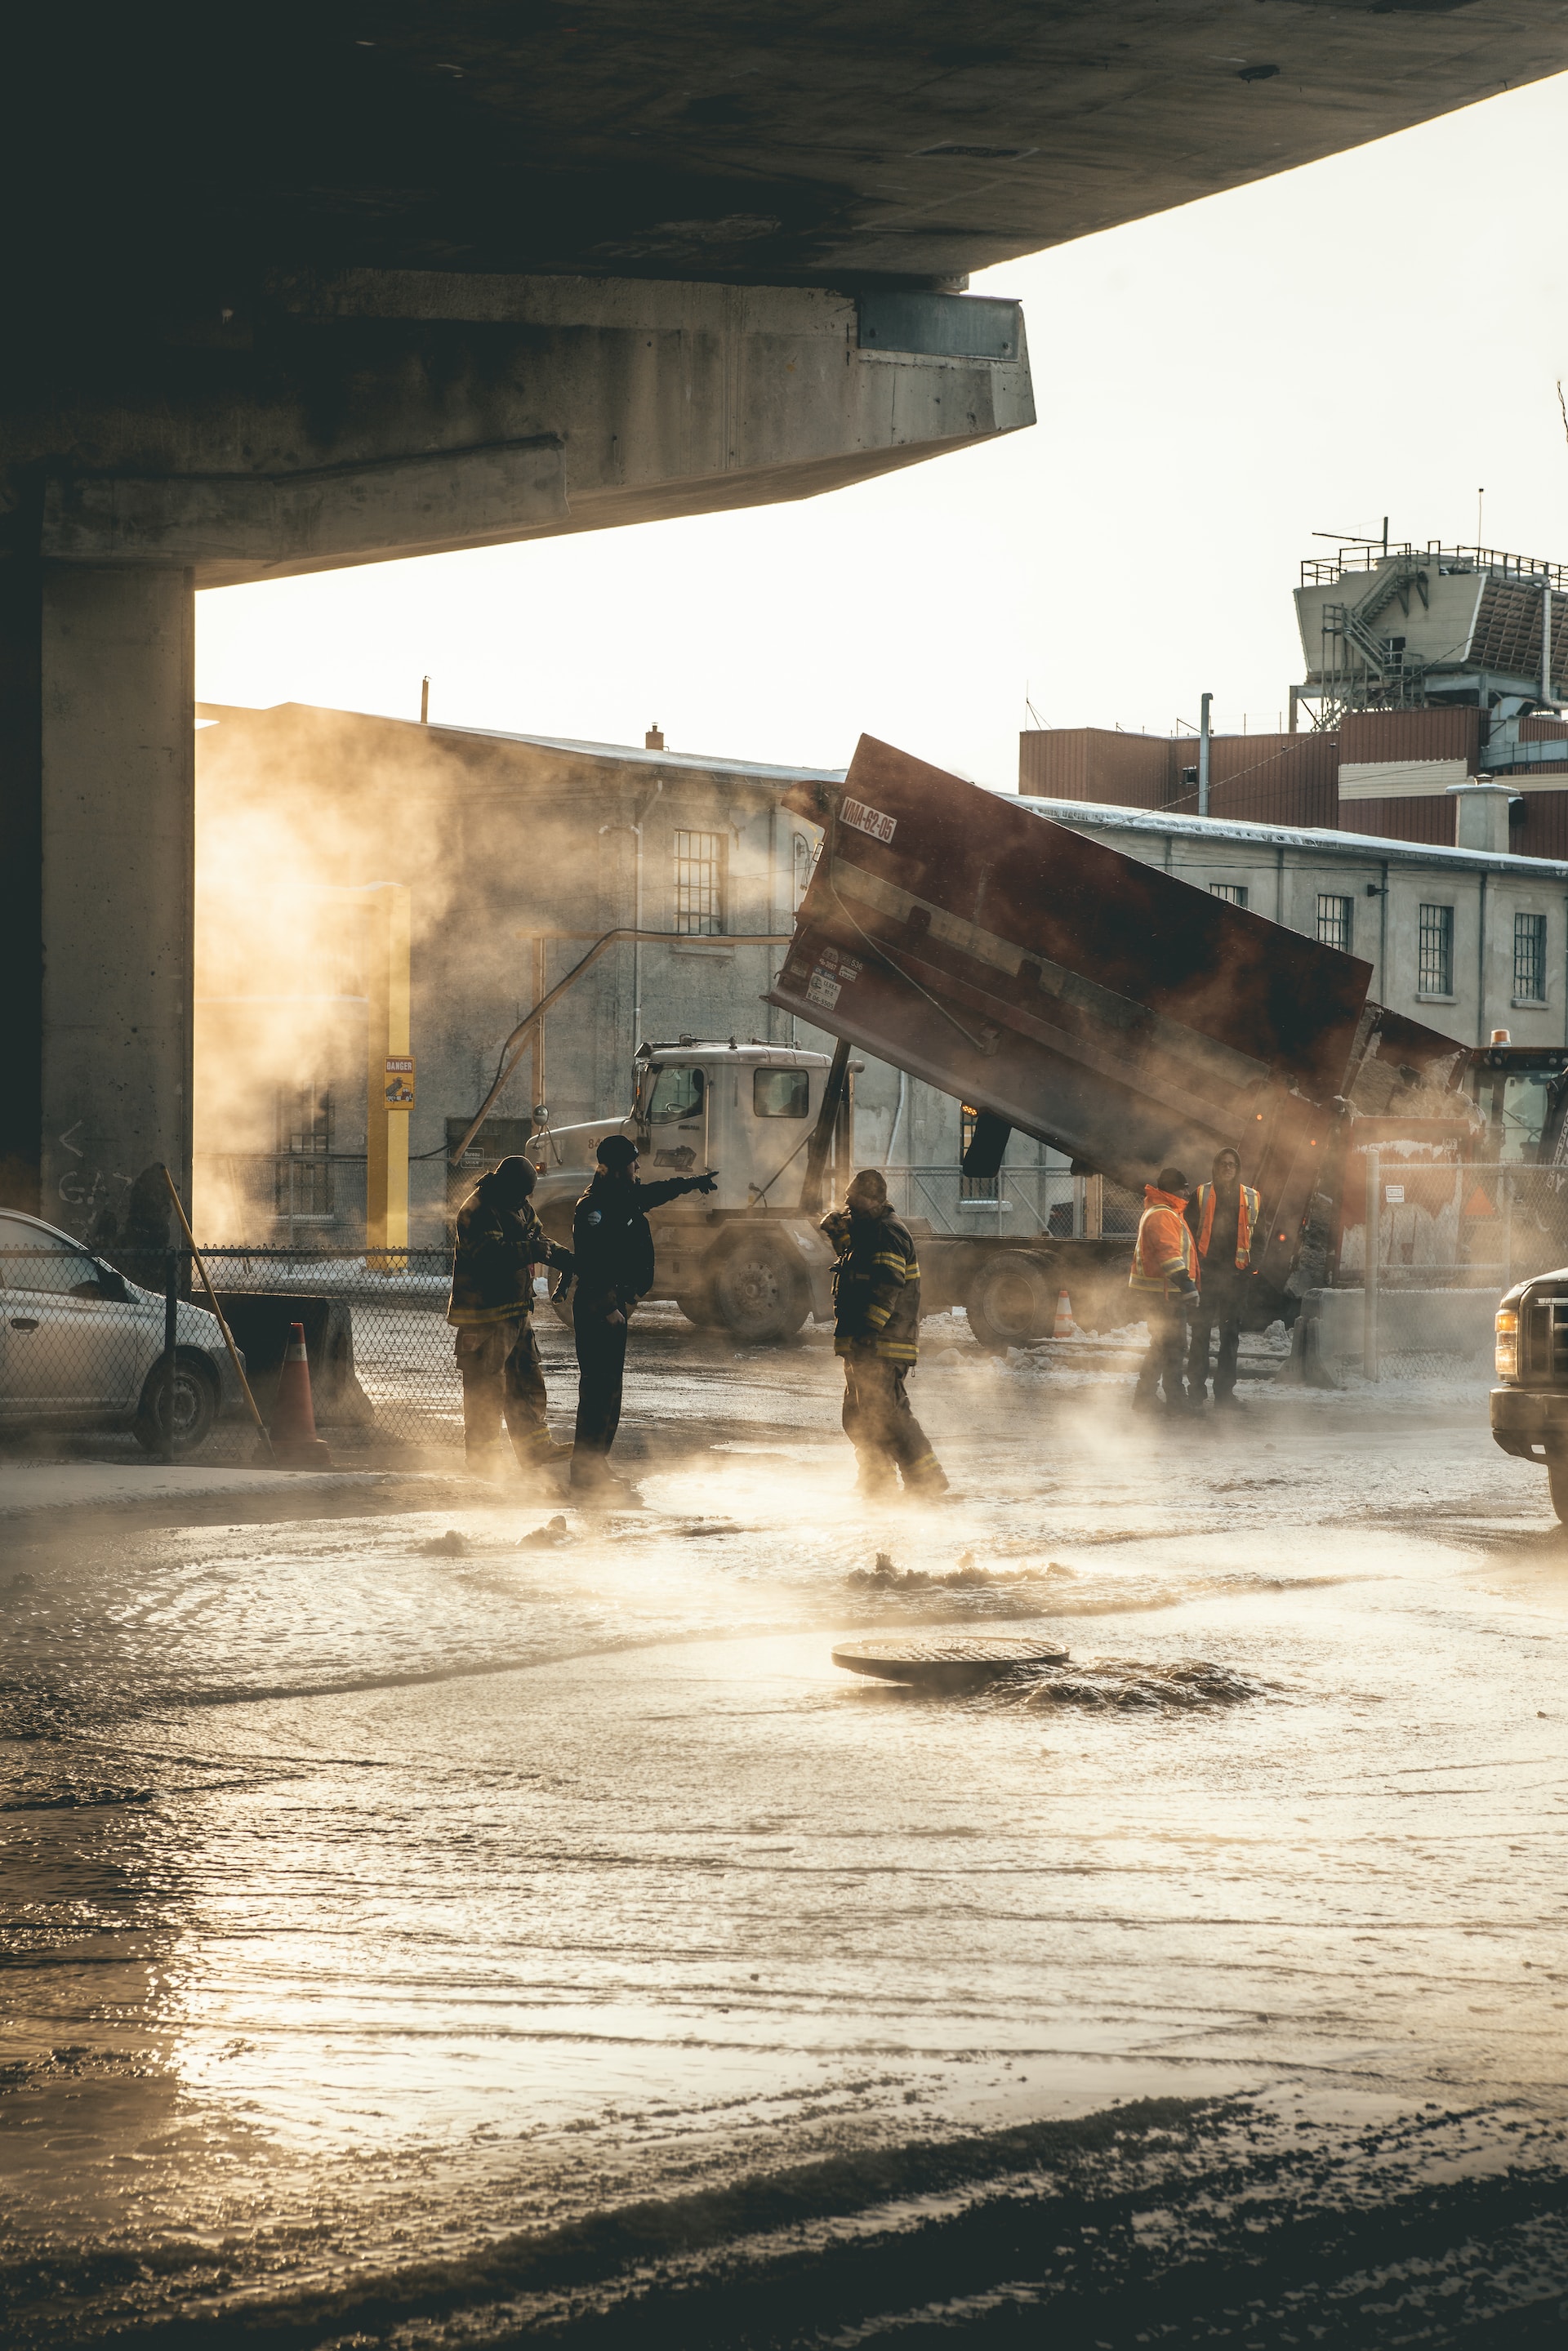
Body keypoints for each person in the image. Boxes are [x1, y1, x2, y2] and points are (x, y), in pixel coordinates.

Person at [568, 1133, 718, 1495]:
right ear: (620, 1169)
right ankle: (585, 1473)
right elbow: (591, 1264)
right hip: (598, 1308)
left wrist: (693, 1183)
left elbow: (657, 1192)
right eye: (634, 1163)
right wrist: (608, 1308)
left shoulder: (624, 1196)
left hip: (615, 1306)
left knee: (611, 1390)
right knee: (598, 1391)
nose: (640, 1168)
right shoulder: (594, 1207)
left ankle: (596, 1465)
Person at [820, 1167, 947, 1498]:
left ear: (874, 1199)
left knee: (888, 1416)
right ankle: (877, 1479)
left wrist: (869, 1330)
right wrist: (839, 1237)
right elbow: (858, 1267)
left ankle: (926, 1480)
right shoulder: (869, 1229)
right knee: (859, 1417)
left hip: (882, 1342)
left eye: (853, 1198)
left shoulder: (888, 1232)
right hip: (863, 1342)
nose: (847, 1203)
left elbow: (886, 1285)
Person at [448, 1155, 575, 1482]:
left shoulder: (518, 1206)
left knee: (526, 1381)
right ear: (507, 1185)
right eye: (521, 1194)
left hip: (516, 1313)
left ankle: (535, 1449)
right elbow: (490, 1255)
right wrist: (532, 1251)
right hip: (485, 1317)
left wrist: (570, 1261)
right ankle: (483, 1460)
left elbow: (540, 1241)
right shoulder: (478, 1209)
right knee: (486, 1388)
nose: (525, 1201)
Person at [1184, 1146, 1260, 1411]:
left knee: (1230, 1335)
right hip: (1207, 1275)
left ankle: (1224, 1394)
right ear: (1216, 1167)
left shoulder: (1251, 1197)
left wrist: (1252, 1267)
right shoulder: (1201, 1194)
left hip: (1235, 1277)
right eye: (1223, 1164)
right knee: (1200, 1333)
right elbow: (1189, 1233)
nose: (1228, 1168)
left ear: (1238, 1169)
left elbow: (1258, 1235)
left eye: (1232, 1164)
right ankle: (1196, 1392)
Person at [1129, 1164, 1200, 1412]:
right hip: (1164, 1294)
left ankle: (1154, 1397)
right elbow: (1170, 1255)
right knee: (1168, 1344)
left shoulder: (1164, 1212)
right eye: (1185, 1189)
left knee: (1167, 1344)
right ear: (1175, 1190)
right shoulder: (1163, 1214)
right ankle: (1164, 1398)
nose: (1188, 1195)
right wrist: (1187, 1284)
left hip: (1164, 1292)